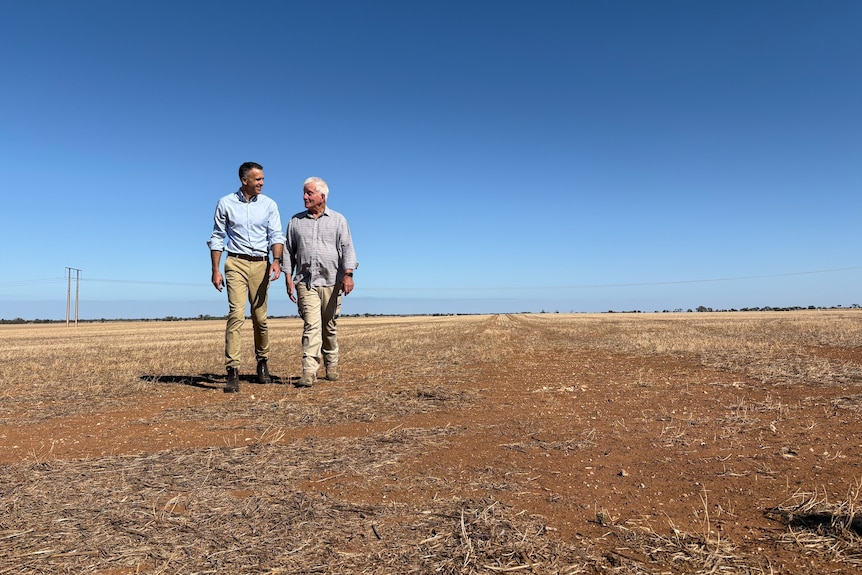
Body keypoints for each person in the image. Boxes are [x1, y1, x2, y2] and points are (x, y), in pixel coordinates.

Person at [207, 162, 285, 393]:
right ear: (245, 181)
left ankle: (263, 363)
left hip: (261, 263)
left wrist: (277, 261)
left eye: (262, 179)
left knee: (260, 318)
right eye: (258, 179)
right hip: (235, 262)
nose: (262, 183)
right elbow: (217, 237)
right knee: (236, 315)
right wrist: (215, 269)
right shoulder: (225, 203)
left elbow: (276, 235)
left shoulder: (269, 204)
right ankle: (233, 370)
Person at [285, 176, 357, 387]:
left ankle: (331, 364)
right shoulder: (295, 221)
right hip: (306, 282)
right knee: (311, 326)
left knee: (329, 326)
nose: (304, 197)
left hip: (332, 282)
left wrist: (348, 274)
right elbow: (289, 251)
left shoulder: (338, 220)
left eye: (309, 193)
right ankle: (309, 371)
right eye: (305, 193)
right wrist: (288, 278)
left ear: (322, 196)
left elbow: (347, 248)